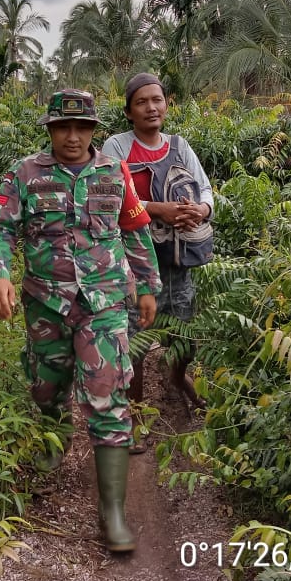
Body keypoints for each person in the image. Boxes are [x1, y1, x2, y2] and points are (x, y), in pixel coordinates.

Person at [0, 88, 161, 552]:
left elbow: (135, 230)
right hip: (46, 304)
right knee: (47, 386)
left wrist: (146, 286)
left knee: (107, 398)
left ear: (95, 131)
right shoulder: (25, 174)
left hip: (102, 306)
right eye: (64, 127)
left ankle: (113, 514)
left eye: (83, 127)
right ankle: (52, 441)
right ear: (50, 129)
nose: (74, 136)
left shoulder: (113, 172)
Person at [101, 72, 213, 418]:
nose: (151, 107)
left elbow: (206, 189)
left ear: (167, 104)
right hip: (135, 263)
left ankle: (177, 379)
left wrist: (200, 209)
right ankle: (134, 413)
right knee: (133, 339)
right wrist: (158, 210)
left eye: (157, 100)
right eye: (141, 102)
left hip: (178, 260)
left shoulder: (179, 145)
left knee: (184, 338)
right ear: (128, 111)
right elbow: (112, 194)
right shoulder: (117, 146)